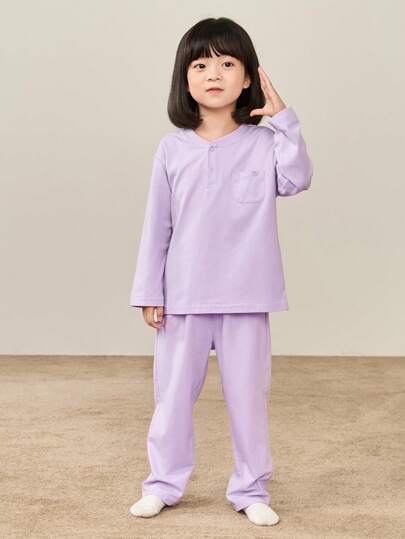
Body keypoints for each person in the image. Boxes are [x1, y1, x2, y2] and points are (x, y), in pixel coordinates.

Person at [128, 16, 313, 527]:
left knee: (249, 401)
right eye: (201, 65)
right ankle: (162, 485)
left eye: (228, 63)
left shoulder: (266, 143)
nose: (214, 74)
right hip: (183, 296)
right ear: (184, 78)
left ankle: (251, 489)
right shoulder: (172, 149)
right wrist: (149, 291)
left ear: (248, 76)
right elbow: (157, 226)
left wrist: (285, 119)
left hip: (248, 295)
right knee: (171, 400)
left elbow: (298, 180)